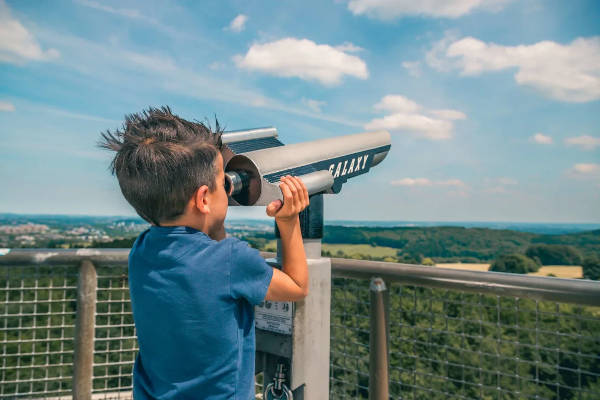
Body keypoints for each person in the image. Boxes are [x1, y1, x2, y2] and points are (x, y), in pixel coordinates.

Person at [99, 106, 309, 399]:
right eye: (222, 181)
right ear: (202, 198)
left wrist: (214, 211)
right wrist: (289, 221)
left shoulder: (142, 250)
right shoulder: (231, 260)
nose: (228, 187)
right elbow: (297, 286)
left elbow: (200, 252)